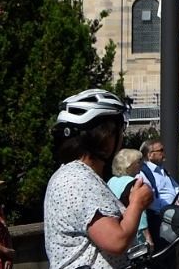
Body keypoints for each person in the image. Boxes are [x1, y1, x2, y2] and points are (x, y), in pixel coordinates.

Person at [43, 89, 151, 268]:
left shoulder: (78, 176)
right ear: (105, 136)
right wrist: (137, 204)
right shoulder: (78, 180)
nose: (122, 137)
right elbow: (116, 240)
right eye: (120, 130)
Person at [105, 149, 153, 256]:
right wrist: (147, 236)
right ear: (129, 165)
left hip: (116, 230)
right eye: (138, 161)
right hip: (134, 234)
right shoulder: (134, 184)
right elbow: (140, 211)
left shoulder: (111, 181)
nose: (142, 164)